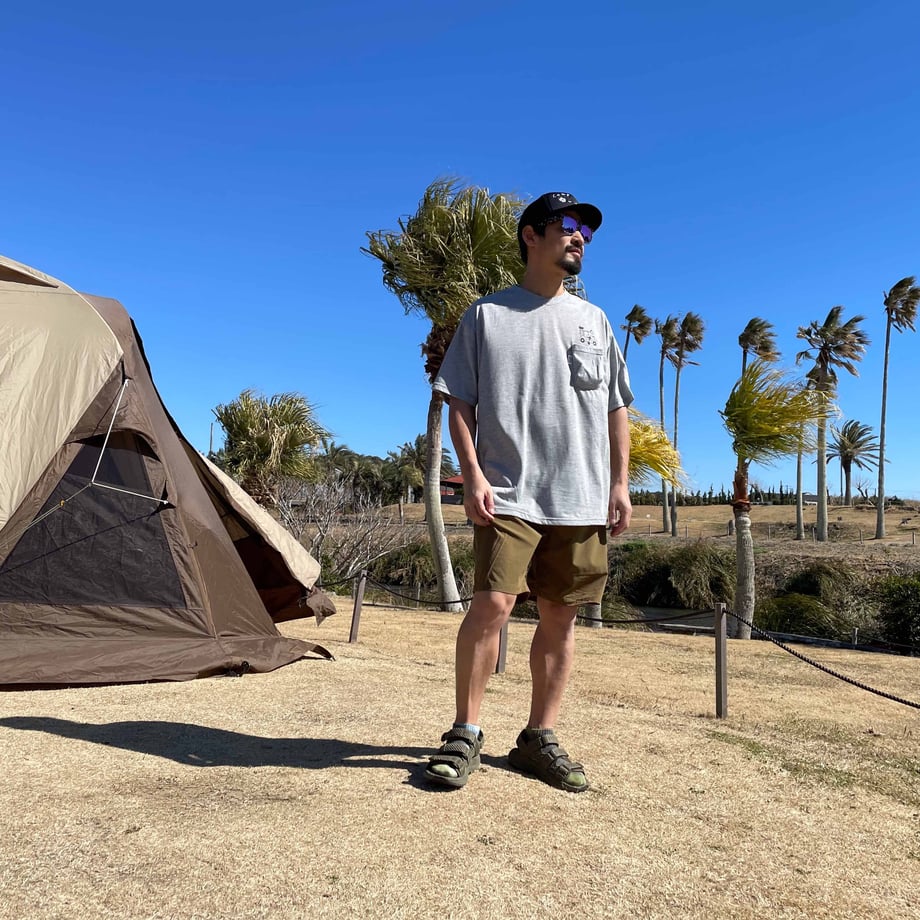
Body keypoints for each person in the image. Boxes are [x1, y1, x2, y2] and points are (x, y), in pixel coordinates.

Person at [424, 191, 633, 793]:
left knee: (560, 619)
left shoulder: (595, 321)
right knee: (491, 606)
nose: (579, 236)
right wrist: (472, 473)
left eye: (586, 230)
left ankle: (538, 738)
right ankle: (465, 732)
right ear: (530, 235)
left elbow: (616, 407)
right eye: (566, 224)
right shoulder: (486, 316)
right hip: (508, 492)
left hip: (582, 496)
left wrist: (620, 484)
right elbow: (458, 401)